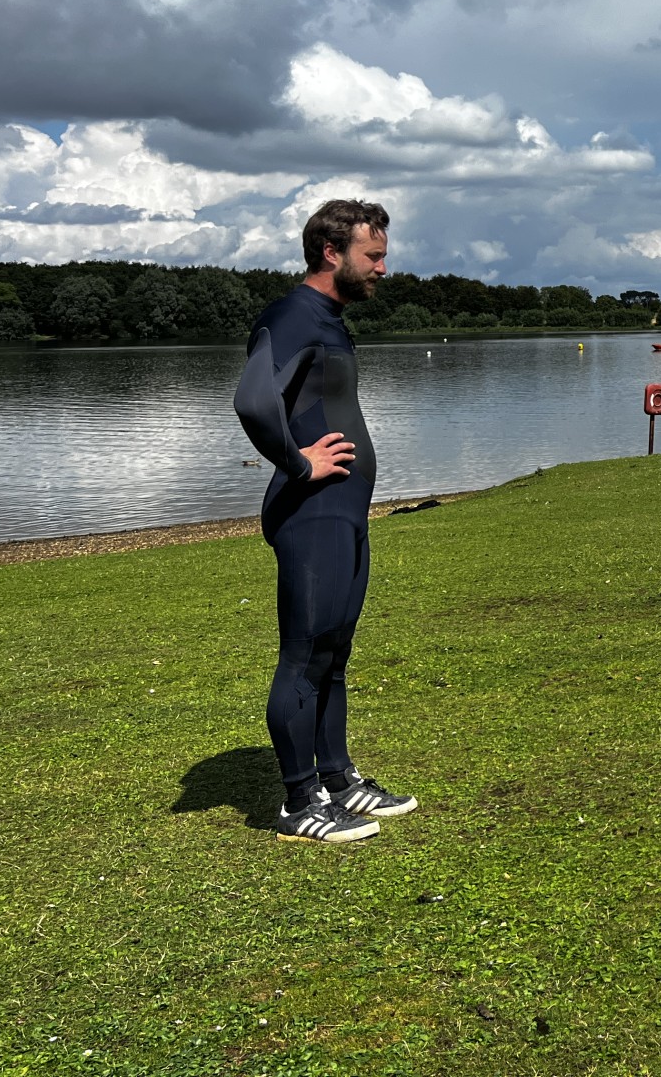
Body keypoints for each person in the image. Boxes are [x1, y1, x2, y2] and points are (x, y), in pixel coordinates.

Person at [234, 199, 417, 844]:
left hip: (344, 513)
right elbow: (254, 400)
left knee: (334, 653)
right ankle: (296, 804)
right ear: (331, 253)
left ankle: (338, 780)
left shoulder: (330, 320)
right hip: (311, 512)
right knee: (305, 654)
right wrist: (299, 464)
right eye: (374, 256)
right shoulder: (292, 314)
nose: (383, 268)